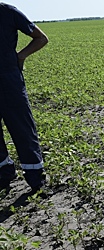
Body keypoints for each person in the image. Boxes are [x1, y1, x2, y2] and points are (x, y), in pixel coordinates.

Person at [0, 3, 49, 194]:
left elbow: (41, 38)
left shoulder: (8, 12)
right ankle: (4, 171)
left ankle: (35, 176)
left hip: (9, 80)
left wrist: (20, 56)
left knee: (22, 128)